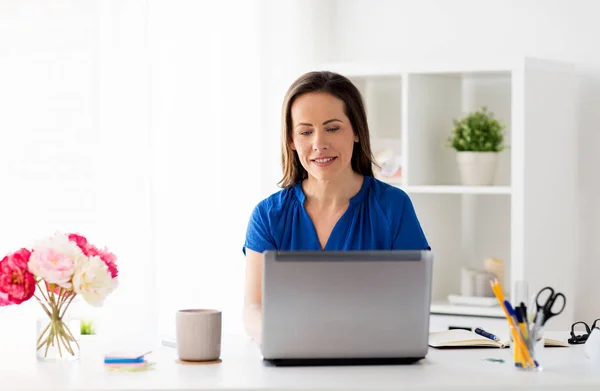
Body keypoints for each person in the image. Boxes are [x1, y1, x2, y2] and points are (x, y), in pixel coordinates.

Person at [242, 71, 430, 343]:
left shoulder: (393, 207)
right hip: (290, 361)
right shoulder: (267, 216)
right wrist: (281, 337)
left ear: (356, 131)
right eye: (306, 132)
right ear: (292, 141)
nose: (319, 144)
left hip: (373, 363)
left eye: (332, 128)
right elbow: (253, 308)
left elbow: (413, 304)